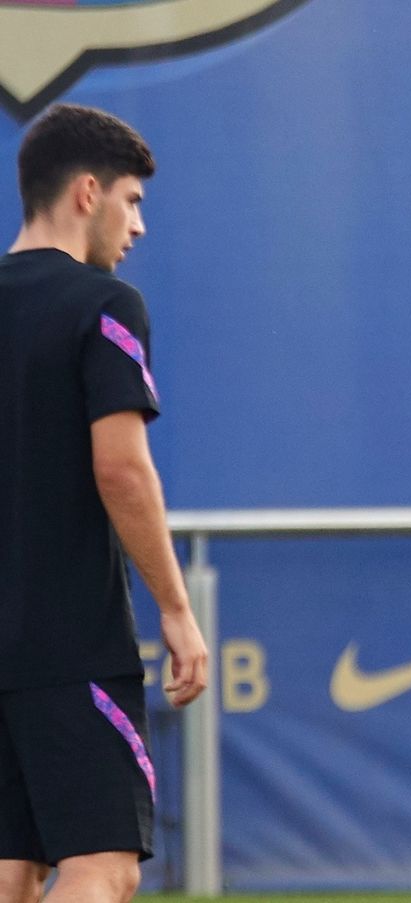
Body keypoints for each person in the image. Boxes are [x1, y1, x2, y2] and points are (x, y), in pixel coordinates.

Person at [0, 103, 209, 903]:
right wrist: (177, 607)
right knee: (104, 865)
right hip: (70, 643)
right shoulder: (104, 304)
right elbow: (122, 469)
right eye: (133, 201)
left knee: (12, 870)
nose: (140, 227)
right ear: (87, 192)